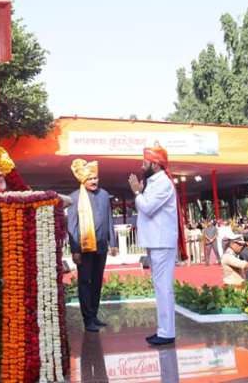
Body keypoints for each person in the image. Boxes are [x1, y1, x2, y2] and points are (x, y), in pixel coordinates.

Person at [128, 145, 182, 346]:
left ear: (156, 164)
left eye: (145, 162)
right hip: (157, 241)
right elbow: (146, 206)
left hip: (161, 242)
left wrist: (136, 193)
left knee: (163, 287)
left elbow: (148, 208)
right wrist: (140, 193)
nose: (142, 165)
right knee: (161, 287)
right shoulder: (155, 182)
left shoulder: (162, 183)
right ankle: (164, 330)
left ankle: (167, 332)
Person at [67, 159, 117, 333]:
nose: (94, 181)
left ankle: (94, 316)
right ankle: (87, 319)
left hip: (101, 247)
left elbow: (110, 218)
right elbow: (72, 226)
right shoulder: (74, 198)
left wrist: (114, 242)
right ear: (83, 180)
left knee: (96, 282)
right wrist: (75, 250)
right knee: (85, 282)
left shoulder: (104, 195)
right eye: (90, 179)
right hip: (84, 249)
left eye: (96, 178)